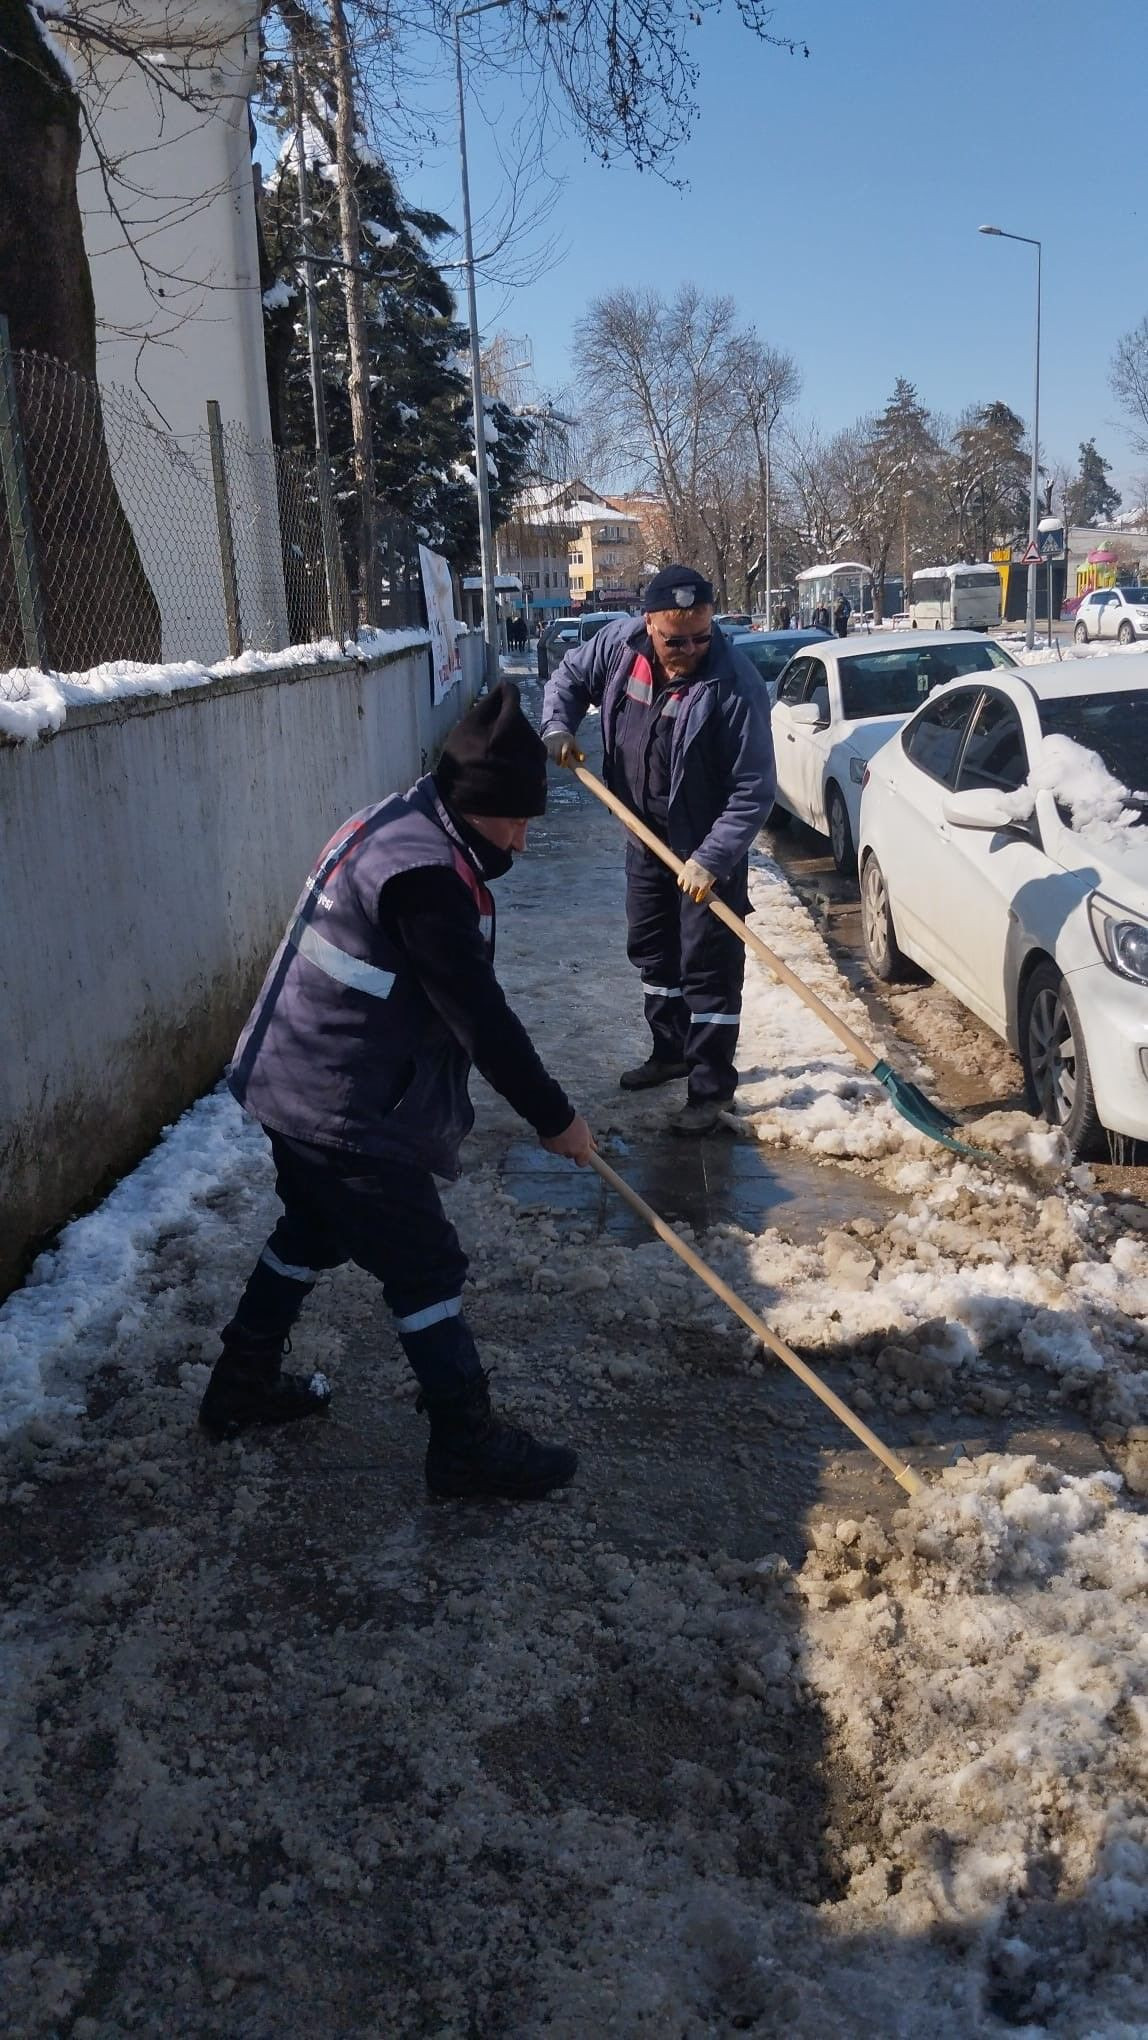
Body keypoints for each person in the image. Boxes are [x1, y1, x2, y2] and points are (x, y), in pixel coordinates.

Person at [199, 682, 593, 1502]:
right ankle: (464, 1442)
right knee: (425, 1266)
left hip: (290, 1075)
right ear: (473, 801)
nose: (521, 841)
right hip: (335, 1101)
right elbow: (480, 1019)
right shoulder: (424, 879)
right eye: (514, 820)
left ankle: (240, 1384)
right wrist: (556, 1118)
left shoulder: (409, 818)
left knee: (314, 1225)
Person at [541, 564, 775, 1137]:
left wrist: (712, 859)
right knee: (653, 948)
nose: (690, 649)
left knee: (709, 967)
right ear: (649, 622)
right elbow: (567, 679)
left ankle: (709, 1086)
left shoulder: (734, 685)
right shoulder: (620, 647)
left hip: (704, 847)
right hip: (642, 832)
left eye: (701, 636)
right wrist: (558, 729)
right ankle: (668, 1051)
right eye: (676, 639)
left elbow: (753, 791)